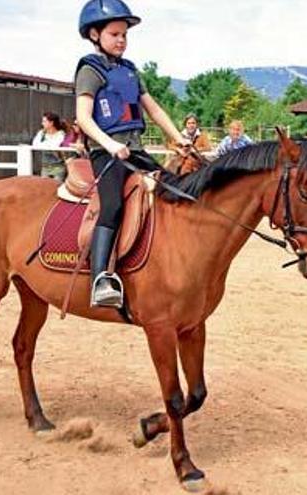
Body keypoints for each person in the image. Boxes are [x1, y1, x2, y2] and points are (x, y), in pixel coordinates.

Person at [76, 0, 189, 308]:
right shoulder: (90, 70)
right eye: (114, 34)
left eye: (124, 34)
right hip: (106, 153)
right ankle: (101, 279)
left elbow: (153, 109)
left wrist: (178, 138)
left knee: (174, 188)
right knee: (112, 204)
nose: (122, 40)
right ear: (95, 34)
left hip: (135, 150)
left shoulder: (129, 71)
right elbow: (84, 117)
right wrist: (110, 145)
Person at [32, 112, 68, 181]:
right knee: (44, 185)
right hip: (45, 166)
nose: (42, 123)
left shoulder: (60, 134)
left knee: (56, 185)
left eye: (44, 121)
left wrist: (44, 144)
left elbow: (55, 145)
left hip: (58, 166)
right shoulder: (41, 133)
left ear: (51, 123)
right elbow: (35, 144)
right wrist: (46, 144)